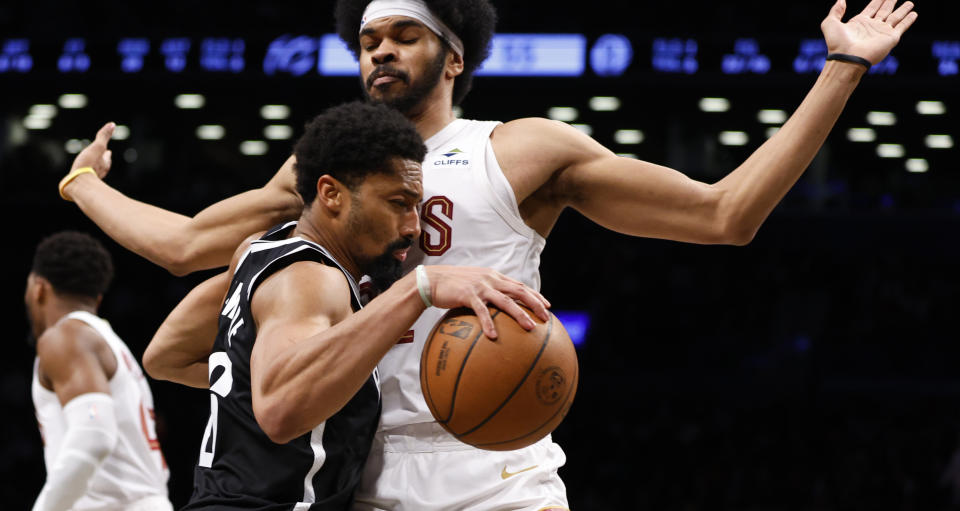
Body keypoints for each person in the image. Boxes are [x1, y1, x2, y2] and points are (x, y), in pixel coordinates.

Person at [57, 0, 918, 509]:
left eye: (402, 34)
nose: (380, 52)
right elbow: (182, 247)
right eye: (367, 41)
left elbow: (727, 213)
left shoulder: (521, 149)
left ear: (454, 54)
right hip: (365, 471)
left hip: (499, 464)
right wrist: (83, 188)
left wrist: (840, 70)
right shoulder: (330, 171)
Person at [140, 100, 550, 509]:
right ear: (331, 194)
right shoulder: (313, 278)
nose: (413, 226)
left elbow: (165, 358)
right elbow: (280, 413)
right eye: (398, 203)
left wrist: (252, 385)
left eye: (417, 207)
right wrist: (418, 290)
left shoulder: (257, 252)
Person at [26, 231, 172, 511]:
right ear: (98, 297)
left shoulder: (65, 337)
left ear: (39, 289)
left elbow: (93, 436)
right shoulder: (112, 345)